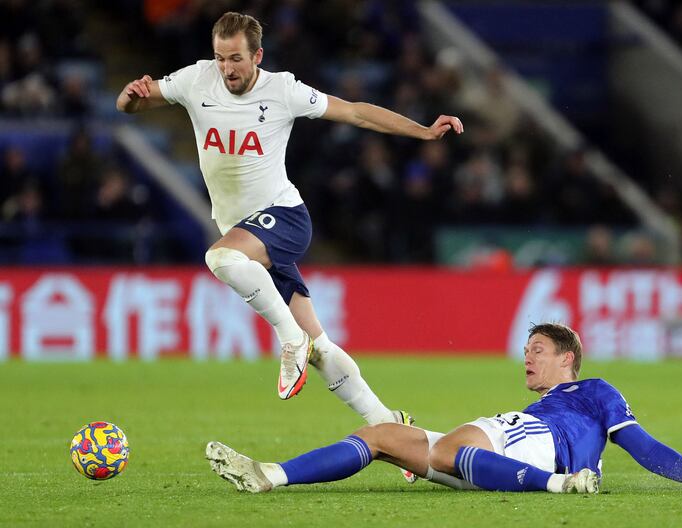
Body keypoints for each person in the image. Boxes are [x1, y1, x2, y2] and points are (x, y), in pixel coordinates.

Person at [115, 11, 463, 426]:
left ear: (257, 55)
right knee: (323, 350)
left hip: (283, 218)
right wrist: (129, 95)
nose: (227, 68)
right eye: (221, 58)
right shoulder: (196, 79)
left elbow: (355, 112)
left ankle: (289, 339)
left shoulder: (282, 89)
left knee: (221, 259)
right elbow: (133, 103)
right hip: (247, 236)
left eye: (236, 59)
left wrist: (422, 131)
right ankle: (391, 425)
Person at [205, 323, 682, 494]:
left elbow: (643, 447)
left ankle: (560, 487)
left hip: (539, 448)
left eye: (538, 352)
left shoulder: (594, 391)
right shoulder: (546, 400)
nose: (528, 359)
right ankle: (267, 476)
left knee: (450, 448)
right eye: (526, 352)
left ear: (568, 358)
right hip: (509, 447)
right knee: (377, 435)